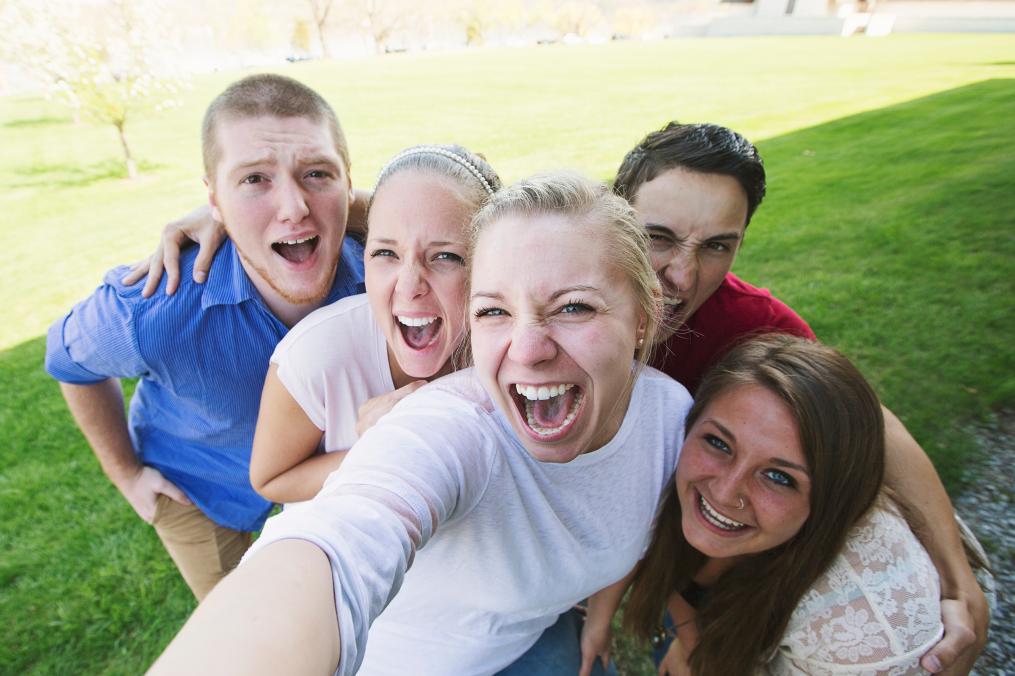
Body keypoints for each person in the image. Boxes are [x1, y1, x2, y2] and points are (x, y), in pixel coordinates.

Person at [149, 172, 691, 675]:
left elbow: (628, 522)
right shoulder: (454, 424)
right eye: (493, 312)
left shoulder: (670, 418)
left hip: (534, 643)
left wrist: (596, 621)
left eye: (573, 307)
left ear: (643, 319)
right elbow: (342, 539)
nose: (527, 350)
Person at [612, 121, 987, 671]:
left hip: (706, 530)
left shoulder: (755, 326)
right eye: (659, 237)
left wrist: (958, 581)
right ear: (614, 217)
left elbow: (866, 429)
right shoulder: (548, 300)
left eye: (718, 246)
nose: (683, 277)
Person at [43, 73, 365, 600]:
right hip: (200, 494)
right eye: (254, 180)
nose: (294, 207)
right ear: (211, 198)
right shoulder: (151, 307)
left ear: (349, 185)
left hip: (325, 487)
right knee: (246, 636)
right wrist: (126, 475)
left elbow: (468, 212)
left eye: (316, 173)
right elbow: (67, 360)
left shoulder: (384, 272)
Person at [618, 333, 946, 674]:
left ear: (832, 501)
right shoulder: (668, 458)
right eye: (719, 442)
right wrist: (692, 646)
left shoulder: (860, 638)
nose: (726, 491)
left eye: (779, 477)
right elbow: (683, 564)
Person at [250, 144, 501, 503]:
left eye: (446, 257)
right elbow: (271, 480)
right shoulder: (315, 356)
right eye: (386, 253)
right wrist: (376, 451)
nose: (409, 285)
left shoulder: (520, 350)